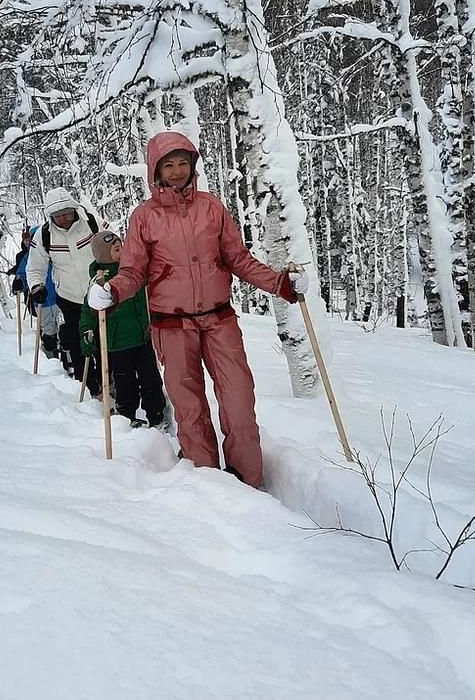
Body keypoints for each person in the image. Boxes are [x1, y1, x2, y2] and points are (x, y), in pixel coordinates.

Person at [87, 132, 307, 489]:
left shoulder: (212, 207)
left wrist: (280, 283)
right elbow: (133, 272)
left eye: (182, 163)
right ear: (155, 170)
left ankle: (248, 480)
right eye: (168, 165)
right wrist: (111, 291)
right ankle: (208, 484)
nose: (176, 172)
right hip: (171, 326)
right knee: (189, 409)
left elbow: (237, 258)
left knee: (238, 400)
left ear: (193, 165)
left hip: (219, 319)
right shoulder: (143, 217)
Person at [80, 231, 167, 428]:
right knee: (125, 384)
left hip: (143, 338)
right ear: (103, 254)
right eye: (116, 249)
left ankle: (157, 415)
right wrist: (87, 330)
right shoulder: (99, 281)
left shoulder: (134, 271)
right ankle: (127, 417)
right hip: (118, 344)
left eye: (122, 247)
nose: (123, 251)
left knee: (151, 381)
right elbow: (88, 310)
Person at [27, 187, 102, 396]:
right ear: (50, 216)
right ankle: (87, 386)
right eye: (57, 215)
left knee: (105, 338)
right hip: (69, 298)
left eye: (66, 213)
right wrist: (37, 286)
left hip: (99, 293)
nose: (63, 218)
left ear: (74, 209)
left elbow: (112, 244)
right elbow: (35, 266)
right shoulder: (44, 235)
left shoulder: (91, 222)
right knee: (76, 342)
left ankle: (108, 380)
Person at [10, 226, 60, 359]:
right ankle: (52, 361)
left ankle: (69, 361)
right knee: (49, 332)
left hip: (61, 298)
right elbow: (25, 273)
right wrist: (20, 281)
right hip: (42, 301)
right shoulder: (29, 257)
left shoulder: (57, 251)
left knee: (66, 331)